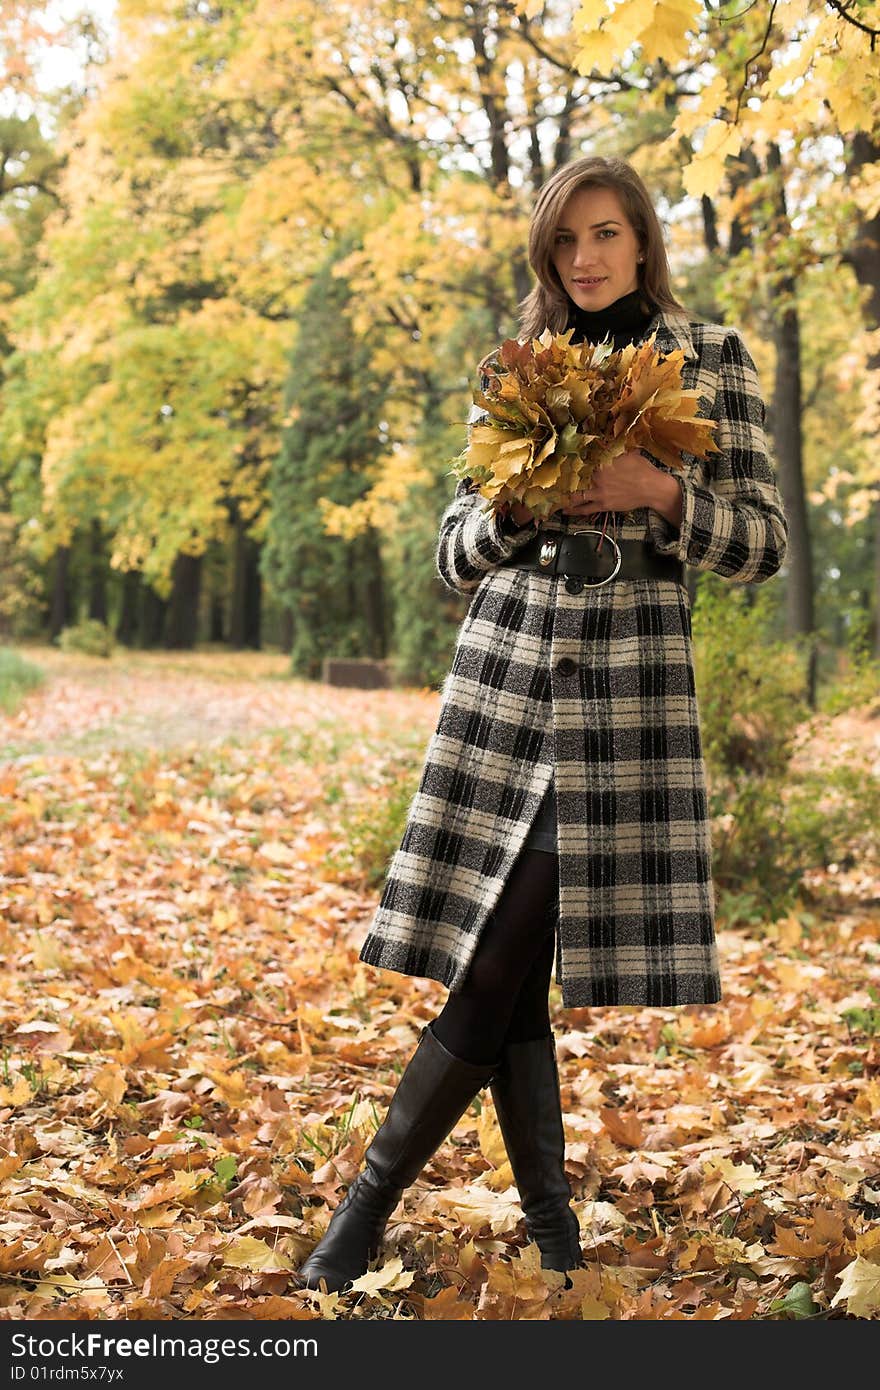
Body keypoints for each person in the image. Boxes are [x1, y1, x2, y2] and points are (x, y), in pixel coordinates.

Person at [293, 155, 789, 1294]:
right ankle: (552, 1227)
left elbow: (760, 544)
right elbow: (450, 553)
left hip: (628, 695)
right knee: (508, 972)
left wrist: (660, 495)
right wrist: (513, 505)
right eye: (567, 241)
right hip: (506, 679)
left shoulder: (712, 362)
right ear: (546, 255)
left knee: (501, 951)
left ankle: (363, 1210)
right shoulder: (514, 367)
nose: (587, 258)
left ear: (642, 241)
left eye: (606, 233)